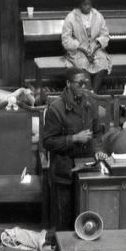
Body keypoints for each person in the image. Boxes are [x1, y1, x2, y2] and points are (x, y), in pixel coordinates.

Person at [41, 68, 103, 230]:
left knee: (87, 217)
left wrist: (98, 150)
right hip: (64, 172)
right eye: (79, 83)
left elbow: (97, 133)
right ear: (68, 84)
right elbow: (47, 142)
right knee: (65, 221)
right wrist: (74, 138)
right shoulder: (56, 109)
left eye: (86, 83)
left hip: (87, 170)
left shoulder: (90, 103)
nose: (83, 86)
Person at [61, 0, 112, 93]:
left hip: (95, 49)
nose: (88, 7)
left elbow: (105, 35)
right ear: (79, 5)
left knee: (102, 62)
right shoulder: (71, 17)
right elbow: (66, 39)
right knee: (83, 63)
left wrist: (96, 46)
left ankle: (94, 93)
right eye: (85, 4)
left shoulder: (98, 16)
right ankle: (87, 93)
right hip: (78, 50)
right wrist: (80, 48)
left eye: (89, 4)